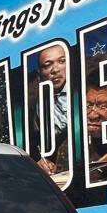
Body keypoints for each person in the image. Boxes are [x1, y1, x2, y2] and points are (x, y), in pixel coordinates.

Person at [28, 44, 70, 176]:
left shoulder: (87, 91)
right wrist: (41, 161)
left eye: (62, 61)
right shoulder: (38, 103)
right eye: (47, 65)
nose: (55, 69)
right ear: (40, 73)